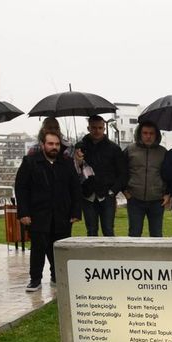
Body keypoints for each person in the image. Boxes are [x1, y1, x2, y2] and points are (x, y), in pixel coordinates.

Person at [15, 130, 81, 292]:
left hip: (62, 214)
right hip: (38, 214)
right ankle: (35, 279)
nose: (54, 147)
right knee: (38, 248)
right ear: (43, 145)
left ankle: (57, 276)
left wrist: (75, 212)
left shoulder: (66, 163)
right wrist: (23, 213)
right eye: (50, 144)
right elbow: (21, 188)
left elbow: (75, 189)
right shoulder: (30, 162)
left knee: (59, 248)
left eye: (57, 144)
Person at [76, 115, 124, 237]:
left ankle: (109, 256)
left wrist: (113, 191)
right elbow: (74, 172)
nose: (97, 130)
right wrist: (78, 162)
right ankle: (93, 256)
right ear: (88, 128)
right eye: (93, 127)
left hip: (107, 196)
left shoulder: (114, 148)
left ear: (104, 129)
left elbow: (122, 174)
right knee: (91, 231)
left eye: (100, 128)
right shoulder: (80, 147)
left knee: (108, 230)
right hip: (88, 196)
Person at [122, 120, 170, 237]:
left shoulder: (163, 152)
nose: (148, 136)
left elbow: (169, 175)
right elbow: (121, 172)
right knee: (134, 234)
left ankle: (155, 256)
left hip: (157, 201)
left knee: (156, 235)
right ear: (140, 134)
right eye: (145, 133)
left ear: (156, 135)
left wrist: (167, 193)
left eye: (151, 133)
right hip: (135, 200)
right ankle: (134, 256)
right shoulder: (130, 150)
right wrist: (125, 191)